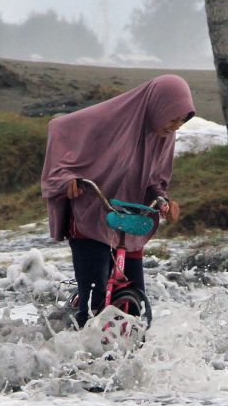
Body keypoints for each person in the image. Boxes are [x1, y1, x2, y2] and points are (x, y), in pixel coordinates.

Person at [41, 74, 195, 327]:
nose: (176, 126)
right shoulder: (108, 120)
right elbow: (61, 129)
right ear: (158, 106)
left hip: (129, 218)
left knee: (140, 303)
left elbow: (155, 177)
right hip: (92, 212)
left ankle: (134, 356)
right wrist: (67, 178)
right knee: (94, 300)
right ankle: (81, 354)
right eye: (173, 118)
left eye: (182, 121)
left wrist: (162, 198)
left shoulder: (163, 133)